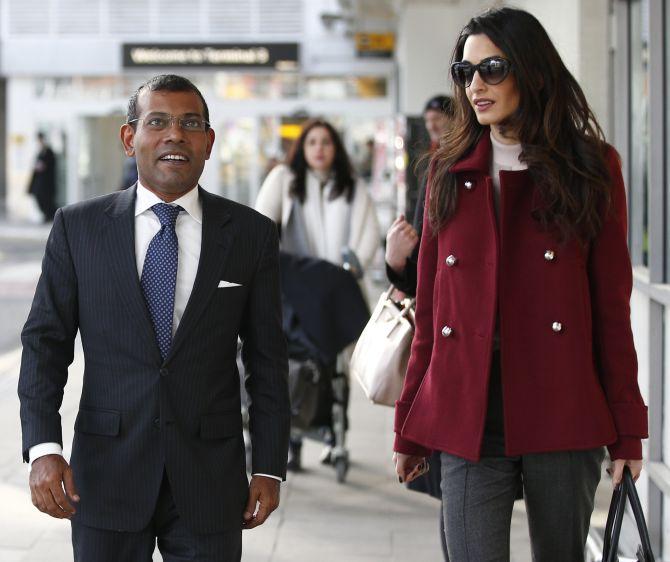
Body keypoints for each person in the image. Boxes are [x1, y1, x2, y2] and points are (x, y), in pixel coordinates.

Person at [393, 8, 648, 561]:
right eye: (465, 73)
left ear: (531, 71)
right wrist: (410, 425)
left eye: (492, 68)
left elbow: (611, 310)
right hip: (467, 412)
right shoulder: (447, 169)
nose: (476, 85)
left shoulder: (592, 168)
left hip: (561, 406)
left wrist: (628, 429)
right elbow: (432, 313)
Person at [18, 74, 290, 562]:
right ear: (130, 138)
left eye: (191, 124)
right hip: (106, 475)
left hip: (210, 478)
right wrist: (43, 447)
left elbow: (268, 361)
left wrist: (270, 466)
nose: (175, 135)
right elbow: (45, 343)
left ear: (209, 142)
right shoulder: (78, 228)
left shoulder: (251, 234)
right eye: (158, 122)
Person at [255, 118, 380, 470]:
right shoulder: (285, 180)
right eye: (312, 143)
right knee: (294, 366)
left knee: (336, 369)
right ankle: (292, 438)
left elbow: (368, 234)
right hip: (293, 294)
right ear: (302, 148)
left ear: (335, 148)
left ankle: (334, 437)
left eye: (326, 142)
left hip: (337, 295)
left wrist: (352, 268)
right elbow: (261, 225)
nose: (319, 149)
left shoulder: (351, 186)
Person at [385, 94, 454, 562]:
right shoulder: (433, 170)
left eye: (437, 120)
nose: (432, 127)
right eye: (426, 121)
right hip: (448, 353)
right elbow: (423, 274)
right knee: (459, 506)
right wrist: (395, 261)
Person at [28, 131, 57, 221]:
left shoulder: (48, 151)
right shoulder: (40, 151)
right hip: (39, 182)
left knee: (47, 200)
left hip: (46, 182)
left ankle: (50, 215)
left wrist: (43, 166)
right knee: (39, 198)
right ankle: (47, 215)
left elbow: (49, 165)